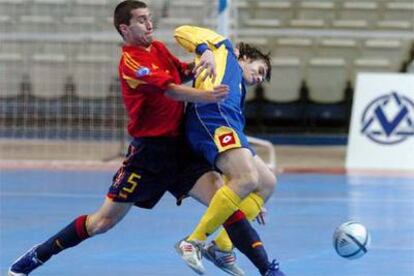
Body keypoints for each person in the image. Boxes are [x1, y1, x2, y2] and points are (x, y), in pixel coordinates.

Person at [8, 1, 230, 275]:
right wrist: (209, 96)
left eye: (149, 18)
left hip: (180, 148)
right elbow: (171, 90)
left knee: (224, 197)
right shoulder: (131, 62)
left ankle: (240, 257)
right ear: (125, 28)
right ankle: (35, 257)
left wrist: (203, 54)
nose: (149, 24)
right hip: (149, 155)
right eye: (141, 20)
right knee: (101, 223)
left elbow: (183, 72)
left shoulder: (159, 48)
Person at [173, 25, 285, 276]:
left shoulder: (239, 91)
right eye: (259, 70)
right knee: (248, 177)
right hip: (211, 118)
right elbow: (181, 31)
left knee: (266, 183)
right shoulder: (224, 50)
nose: (258, 78)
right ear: (245, 57)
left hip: (230, 128)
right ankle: (193, 241)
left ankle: (222, 248)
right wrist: (205, 51)